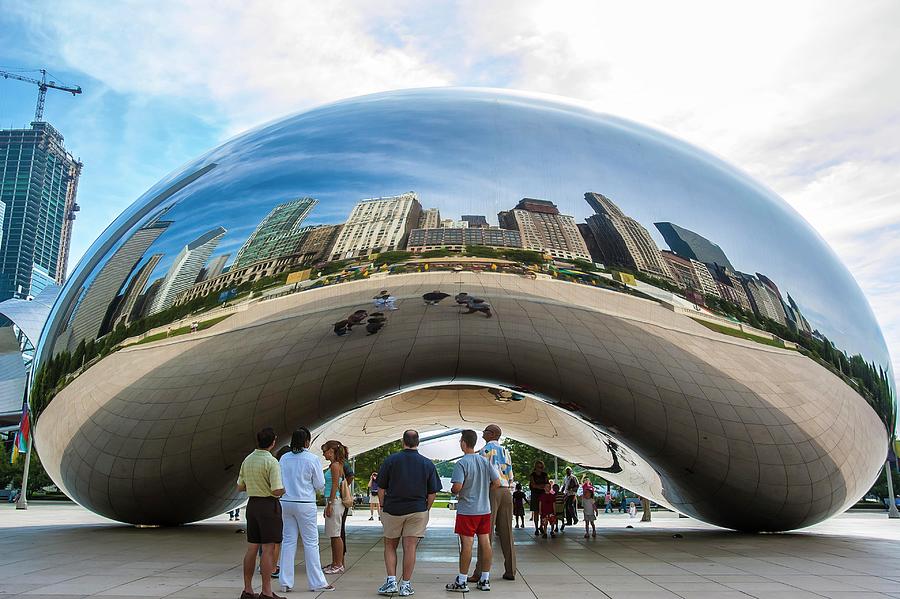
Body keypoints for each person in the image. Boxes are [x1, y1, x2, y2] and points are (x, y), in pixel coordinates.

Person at [376, 430, 442, 597]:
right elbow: (432, 492)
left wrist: (382, 506)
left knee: (390, 545)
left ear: (402, 441)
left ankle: (391, 582)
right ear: (418, 442)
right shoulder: (427, 463)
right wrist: (426, 508)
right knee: (410, 547)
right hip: (417, 510)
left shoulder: (391, 460)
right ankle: (405, 585)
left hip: (393, 509)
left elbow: (381, 488)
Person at [277, 428, 334, 593]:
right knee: (310, 543)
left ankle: (285, 582)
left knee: (288, 542)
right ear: (307, 441)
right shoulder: (312, 459)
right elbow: (319, 484)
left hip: (286, 501)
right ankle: (317, 582)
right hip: (305, 503)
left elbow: (279, 480)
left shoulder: (284, 458)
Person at [446, 430, 500, 592]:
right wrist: (484, 490)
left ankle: (462, 581)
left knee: (467, 544)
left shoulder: (462, 463)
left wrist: (454, 491)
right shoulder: (484, 461)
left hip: (467, 510)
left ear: (463, 443)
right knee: (485, 543)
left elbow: (457, 487)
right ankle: (485, 579)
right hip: (484, 510)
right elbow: (497, 482)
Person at [237, 427, 285, 599]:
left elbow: (240, 486)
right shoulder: (271, 462)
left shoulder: (247, 460)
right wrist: (285, 489)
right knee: (268, 549)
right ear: (273, 442)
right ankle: (266, 591)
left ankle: (248, 590)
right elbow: (277, 489)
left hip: (253, 505)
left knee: (252, 547)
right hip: (268, 506)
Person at [469, 424, 516, 582]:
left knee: (485, 533)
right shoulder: (506, 451)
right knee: (507, 532)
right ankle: (511, 570)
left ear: (493, 434)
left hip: (492, 492)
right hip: (506, 492)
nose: (483, 433)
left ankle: (480, 572)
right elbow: (510, 475)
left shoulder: (485, 451)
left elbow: (480, 473)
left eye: (485, 431)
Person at [321, 440, 349, 575]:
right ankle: (335, 562)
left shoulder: (335, 466)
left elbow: (334, 486)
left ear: (331, 451)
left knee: (336, 534)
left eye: (324, 451)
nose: (323, 454)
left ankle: (338, 564)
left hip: (335, 501)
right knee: (334, 534)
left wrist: (330, 504)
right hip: (333, 501)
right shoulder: (336, 465)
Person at [528, 460, 549, 535]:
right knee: (536, 512)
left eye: (541, 467)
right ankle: (536, 528)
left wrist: (538, 486)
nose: (540, 468)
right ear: (535, 467)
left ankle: (541, 526)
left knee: (543, 512)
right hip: (535, 495)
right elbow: (533, 485)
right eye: (538, 467)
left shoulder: (544, 475)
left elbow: (547, 485)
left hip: (543, 495)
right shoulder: (532, 475)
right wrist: (541, 486)